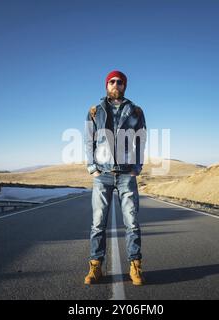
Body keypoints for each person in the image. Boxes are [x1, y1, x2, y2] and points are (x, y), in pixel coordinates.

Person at [84, 70, 147, 286]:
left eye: (120, 82)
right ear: (106, 85)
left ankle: (135, 266)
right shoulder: (95, 111)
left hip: (126, 174)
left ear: (124, 86)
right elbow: (88, 141)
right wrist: (92, 168)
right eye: (112, 81)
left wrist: (136, 168)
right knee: (98, 223)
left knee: (132, 221)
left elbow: (141, 141)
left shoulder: (136, 111)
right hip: (102, 175)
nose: (115, 84)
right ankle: (95, 267)